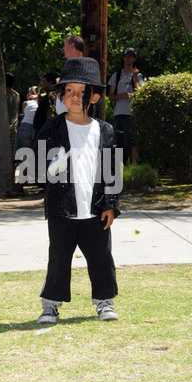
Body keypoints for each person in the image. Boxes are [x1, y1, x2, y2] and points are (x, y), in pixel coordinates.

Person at [34, 57, 120, 324]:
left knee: (101, 257)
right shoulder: (53, 128)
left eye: (82, 92)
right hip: (62, 209)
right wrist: (51, 167)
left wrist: (111, 204)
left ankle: (104, 302)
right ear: (60, 95)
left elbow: (112, 171)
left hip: (95, 209)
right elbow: (37, 169)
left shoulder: (104, 130)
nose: (74, 97)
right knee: (58, 258)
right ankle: (50, 306)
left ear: (94, 97)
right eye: (69, 90)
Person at [108, 48, 144, 164]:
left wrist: (135, 77)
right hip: (118, 113)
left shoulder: (138, 75)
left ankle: (133, 168)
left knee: (133, 143)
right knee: (118, 143)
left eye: (131, 56)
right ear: (123, 58)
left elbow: (141, 93)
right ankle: (118, 169)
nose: (129, 58)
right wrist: (121, 96)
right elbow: (110, 96)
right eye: (127, 56)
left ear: (135, 59)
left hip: (132, 114)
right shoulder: (116, 75)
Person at [6, 87, 38, 197]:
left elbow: (24, 113)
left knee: (25, 157)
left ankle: (20, 185)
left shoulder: (26, 102)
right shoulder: (42, 100)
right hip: (37, 127)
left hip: (25, 127)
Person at [56, 35, 84, 115]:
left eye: (65, 45)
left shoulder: (83, 66)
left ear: (71, 46)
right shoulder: (70, 65)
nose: (63, 48)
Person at [33, 73, 56, 138]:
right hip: (40, 129)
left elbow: (50, 110)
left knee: (41, 148)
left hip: (43, 130)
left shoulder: (51, 95)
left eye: (44, 82)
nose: (42, 84)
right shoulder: (48, 94)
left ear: (50, 83)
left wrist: (46, 128)